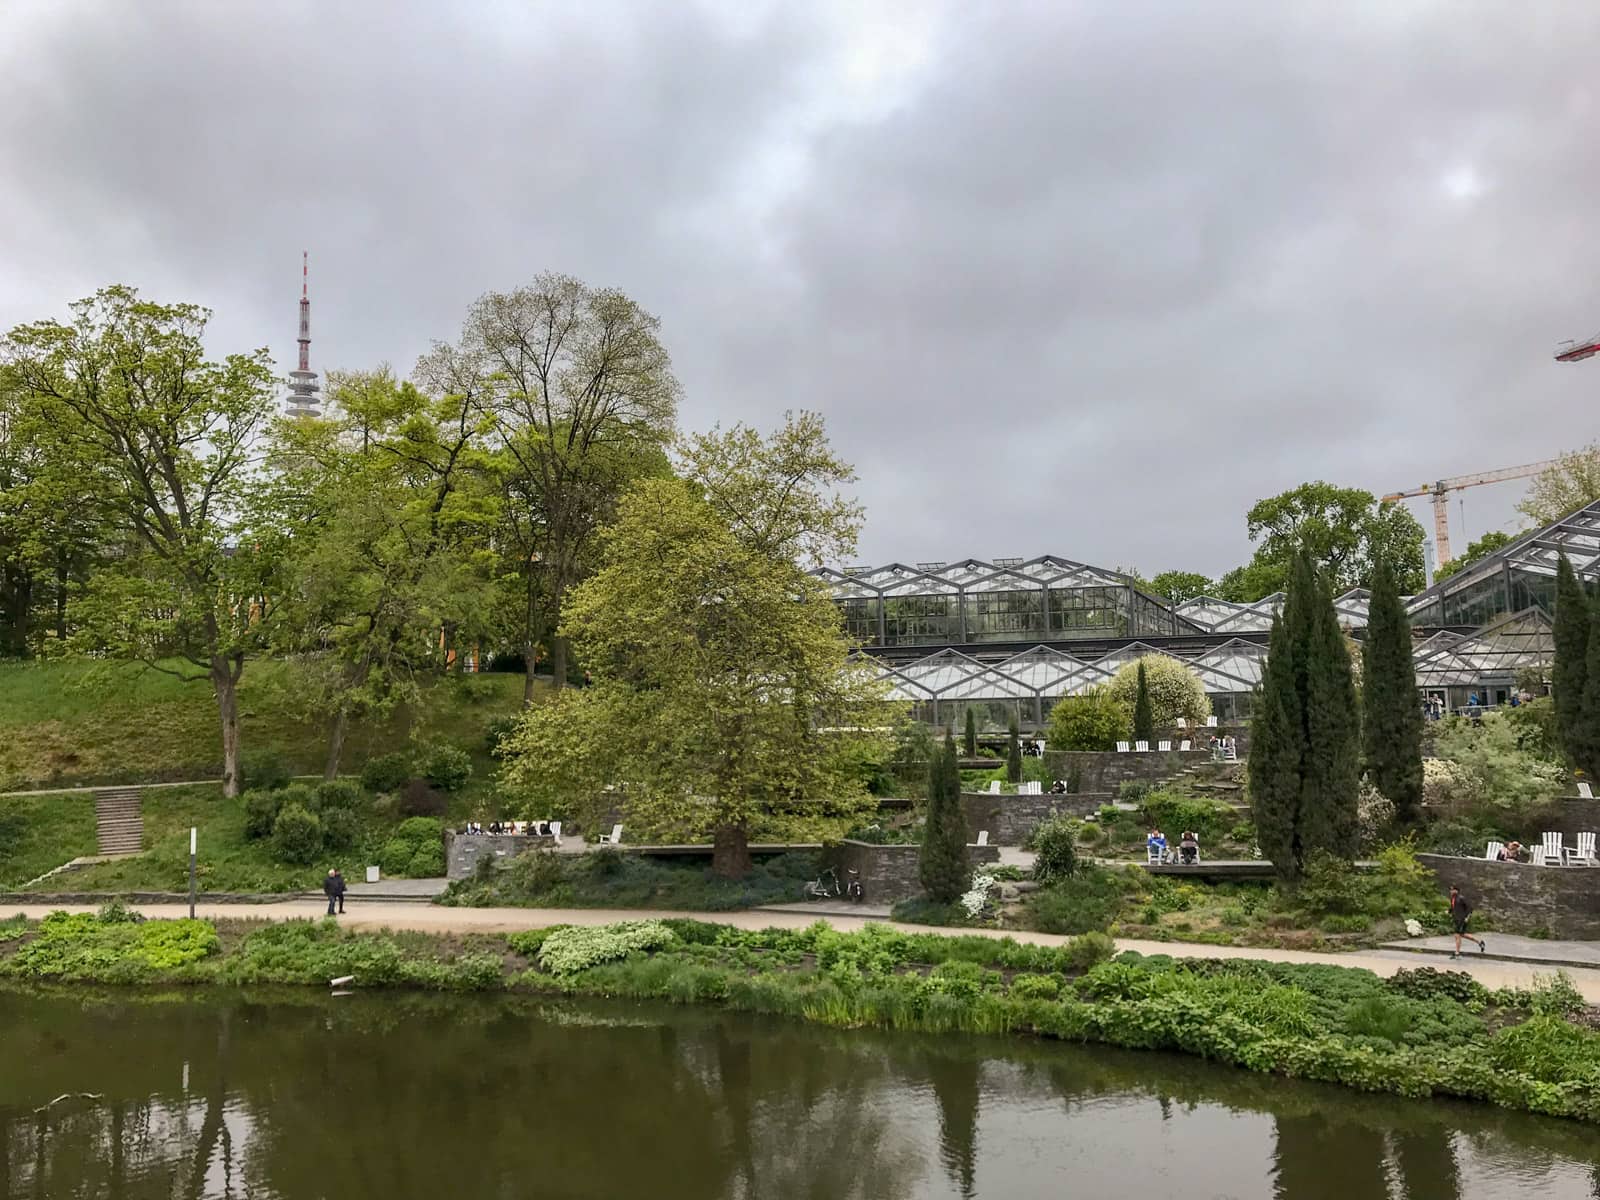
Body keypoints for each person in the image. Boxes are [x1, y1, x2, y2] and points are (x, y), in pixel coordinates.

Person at [1448, 885, 1485, 958]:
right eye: (1450, 890)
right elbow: (1453, 908)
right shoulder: (1453, 898)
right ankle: (1480, 942)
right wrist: (1449, 911)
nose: (1451, 891)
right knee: (1462, 934)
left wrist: (1467, 917)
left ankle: (1457, 953)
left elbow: (1470, 908)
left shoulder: (1461, 898)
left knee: (1457, 935)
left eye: (1452, 890)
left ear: (1456, 891)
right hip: (1456, 919)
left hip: (1462, 919)